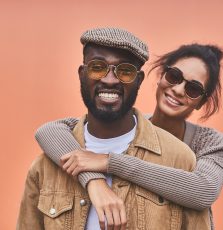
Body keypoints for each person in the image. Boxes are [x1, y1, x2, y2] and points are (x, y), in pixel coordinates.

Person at [17, 27, 209, 230]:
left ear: (139, 80)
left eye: (125, 71)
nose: (109, 80)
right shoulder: (45, 166)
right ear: (82, 74)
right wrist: (93, 181)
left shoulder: (179, 159)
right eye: (97, 67)